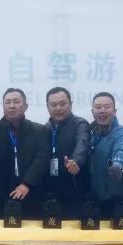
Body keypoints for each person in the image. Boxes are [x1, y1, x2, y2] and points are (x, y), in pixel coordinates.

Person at [0, 88, 48, 219]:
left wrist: (26, 183)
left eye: (16, 102)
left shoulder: (39, 130)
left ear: (25, 106)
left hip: (31, 192)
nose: (12, 106)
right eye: (7, 102)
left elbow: (41, 159)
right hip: (2, 195)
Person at [43, 87, 91, 219]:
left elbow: (82, 144)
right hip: (51, 192)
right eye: (53, 105)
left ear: (70, 104)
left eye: (62, 104)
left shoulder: (80, 124)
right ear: (47, 107)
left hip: (75, 190)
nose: (58, 108)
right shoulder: (45, 128)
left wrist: (76, 161)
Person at [89, 92, 123, 218]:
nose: (102, 110)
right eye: (98, 107)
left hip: (114, 205)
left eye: (107, 107)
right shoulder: (88, 133)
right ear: (92, 111)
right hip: (90, 202)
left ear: (114, 111)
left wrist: (118, 165)